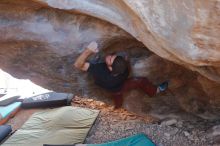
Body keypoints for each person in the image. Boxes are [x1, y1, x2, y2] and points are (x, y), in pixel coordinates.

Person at [74, 41, 168, 108]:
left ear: (110, 67)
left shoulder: (99, 71)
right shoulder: (123, 68)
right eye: (112, 56)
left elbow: (78, 64)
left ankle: (117, 105)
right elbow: (124, 61)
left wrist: (88, 51)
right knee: (140, 82)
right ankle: (155, 91)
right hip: (120, 84)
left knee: (116, 94)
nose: (109, 56)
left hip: (111, 86)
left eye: (110, 58)